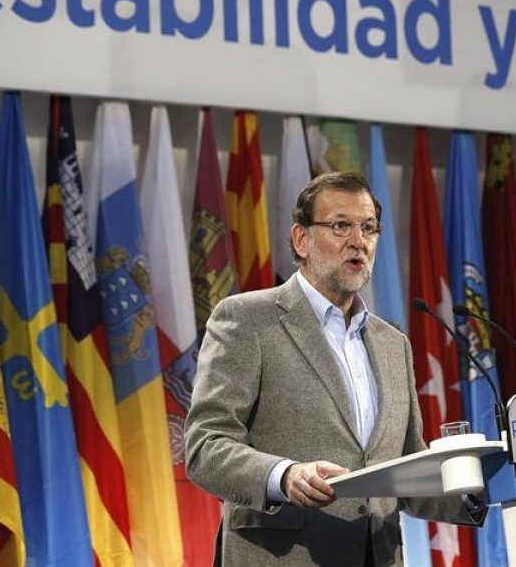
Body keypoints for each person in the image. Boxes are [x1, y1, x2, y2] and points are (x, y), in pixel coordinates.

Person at [185, 171, 485, 566]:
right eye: (340, 225)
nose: (358, 241)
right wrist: (284, 475)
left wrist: (478, 488)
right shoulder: (247, 319)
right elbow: (205, 446)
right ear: (301, 239)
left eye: (369, 228)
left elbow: (406, 469)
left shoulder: (393, 344)